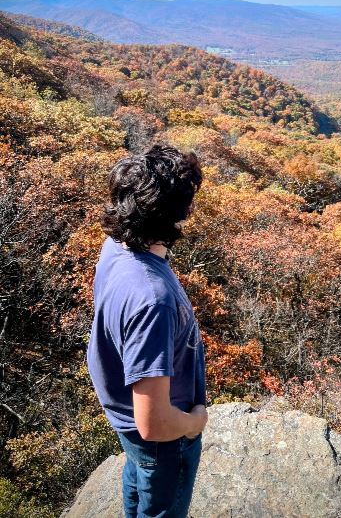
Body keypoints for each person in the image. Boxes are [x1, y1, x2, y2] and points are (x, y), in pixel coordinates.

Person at [87, 143, 208, 518]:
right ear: (179, 214)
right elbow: (154, 424)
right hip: (165, 440)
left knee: (138, 480)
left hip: (127, 421)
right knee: (160, 506)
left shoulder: (116, 246)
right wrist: (193, 424)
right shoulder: (152, 300)